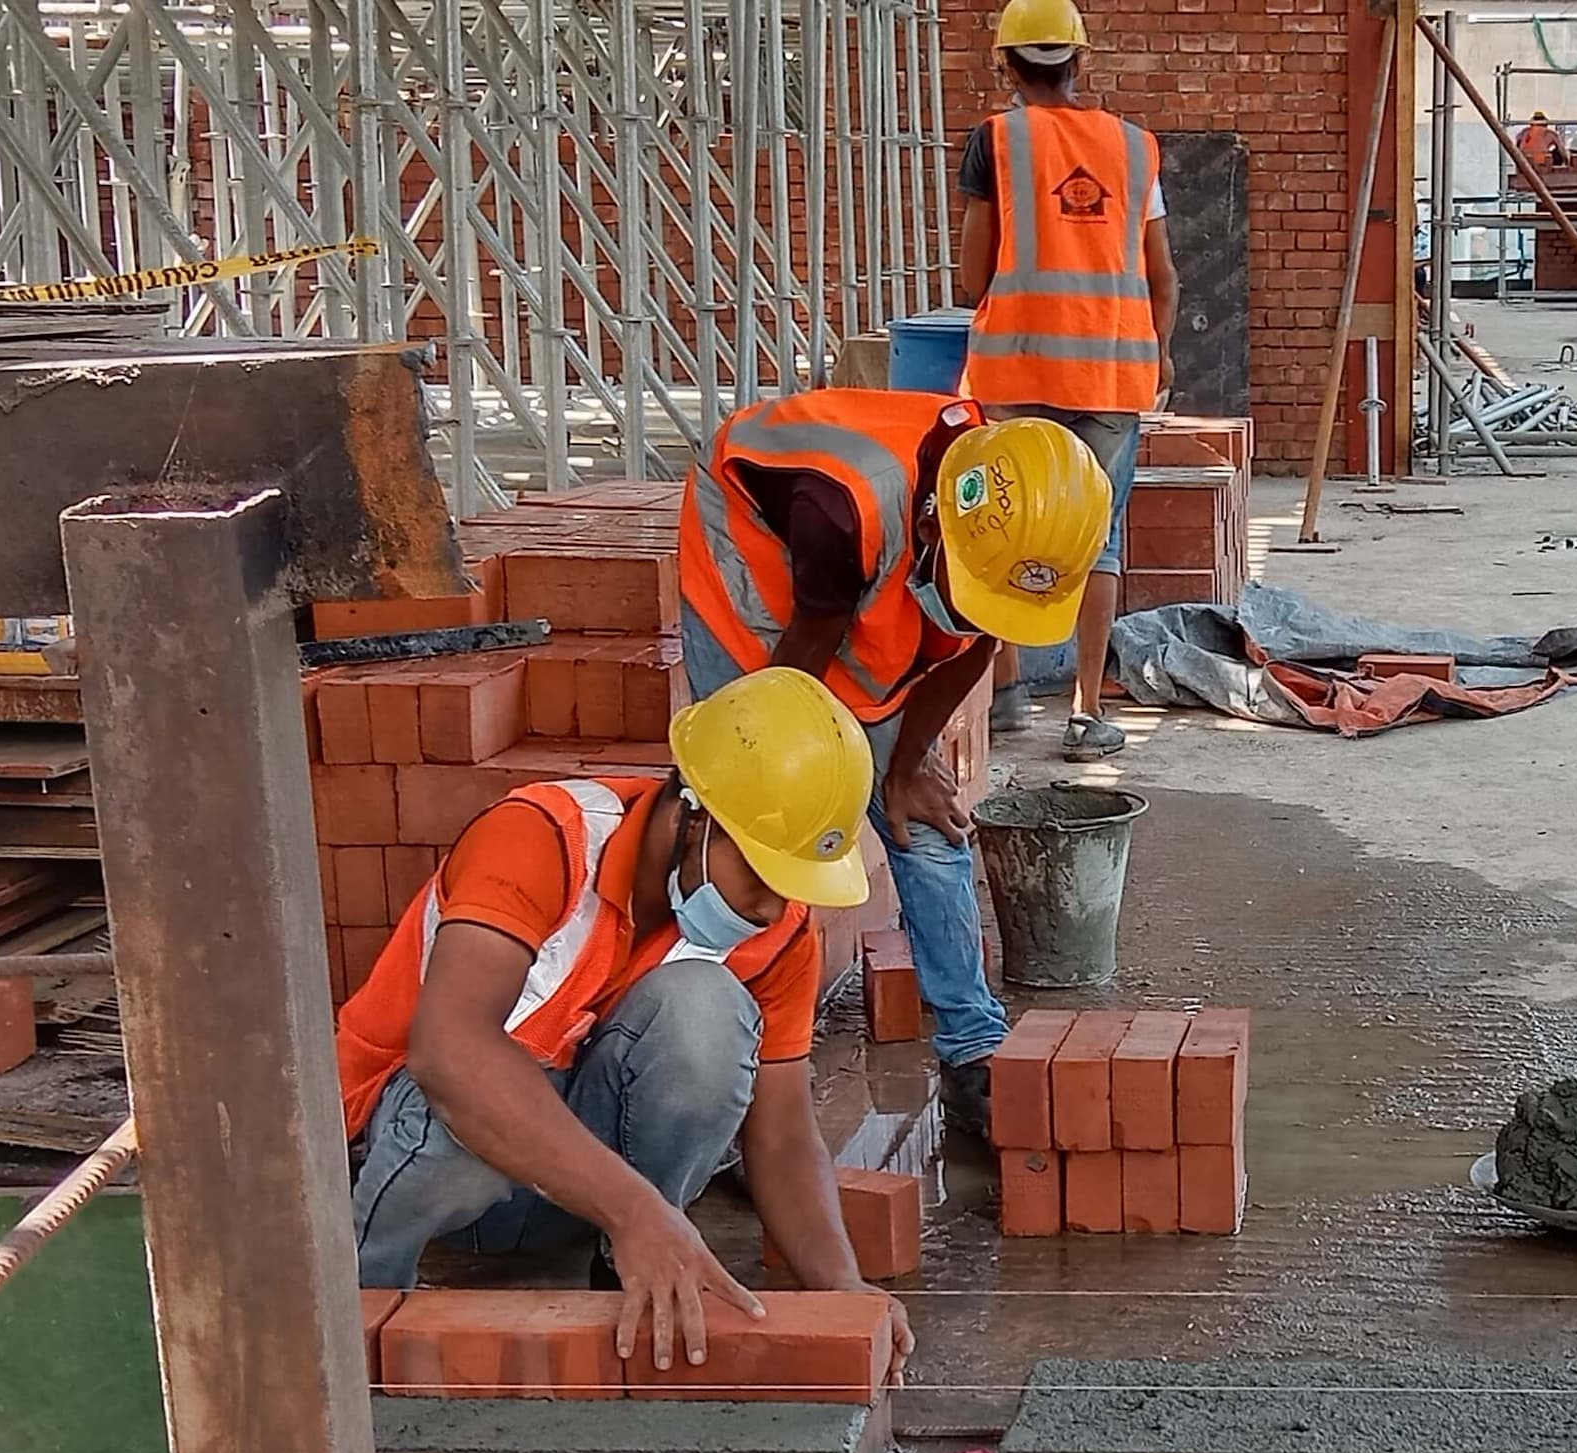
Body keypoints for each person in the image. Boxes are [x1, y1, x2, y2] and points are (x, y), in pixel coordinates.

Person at [343, 670, 912, 1373]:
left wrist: (841, 1292)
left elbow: (784, 1134)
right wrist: (637, 1212)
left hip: (575, 1190)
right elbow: (448, 1053)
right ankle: (356, 1308)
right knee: (467, 1109)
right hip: (420, 1164)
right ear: (692, 817)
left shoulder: (780, 931)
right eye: (760, 877)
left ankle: (635, 1279)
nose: (770, 908)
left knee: (703, 1010)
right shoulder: (545, 837)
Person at [670, 391, 1107, 1149]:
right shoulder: (840, 506)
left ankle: (975, 1048)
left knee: (926, 823)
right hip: (759, 549)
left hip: (874, 561)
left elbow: (970, 638)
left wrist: (905, 765)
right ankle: (727, 1070)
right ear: (937, 523)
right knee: (765, 820)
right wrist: (786, 776)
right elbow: (797, 684)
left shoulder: (1022, 513)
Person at [955, 0, 1173, 764]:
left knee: (1000, 524)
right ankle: (1085, 713)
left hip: (1015, 369)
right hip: (1112, 375)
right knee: (1097, 538)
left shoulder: (997, 142)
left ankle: (1008, 689)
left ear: (1005, 65)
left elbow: (971, 275)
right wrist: (1161, 352)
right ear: (1082, 61)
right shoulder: (1135, 148)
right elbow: (1164, 277)